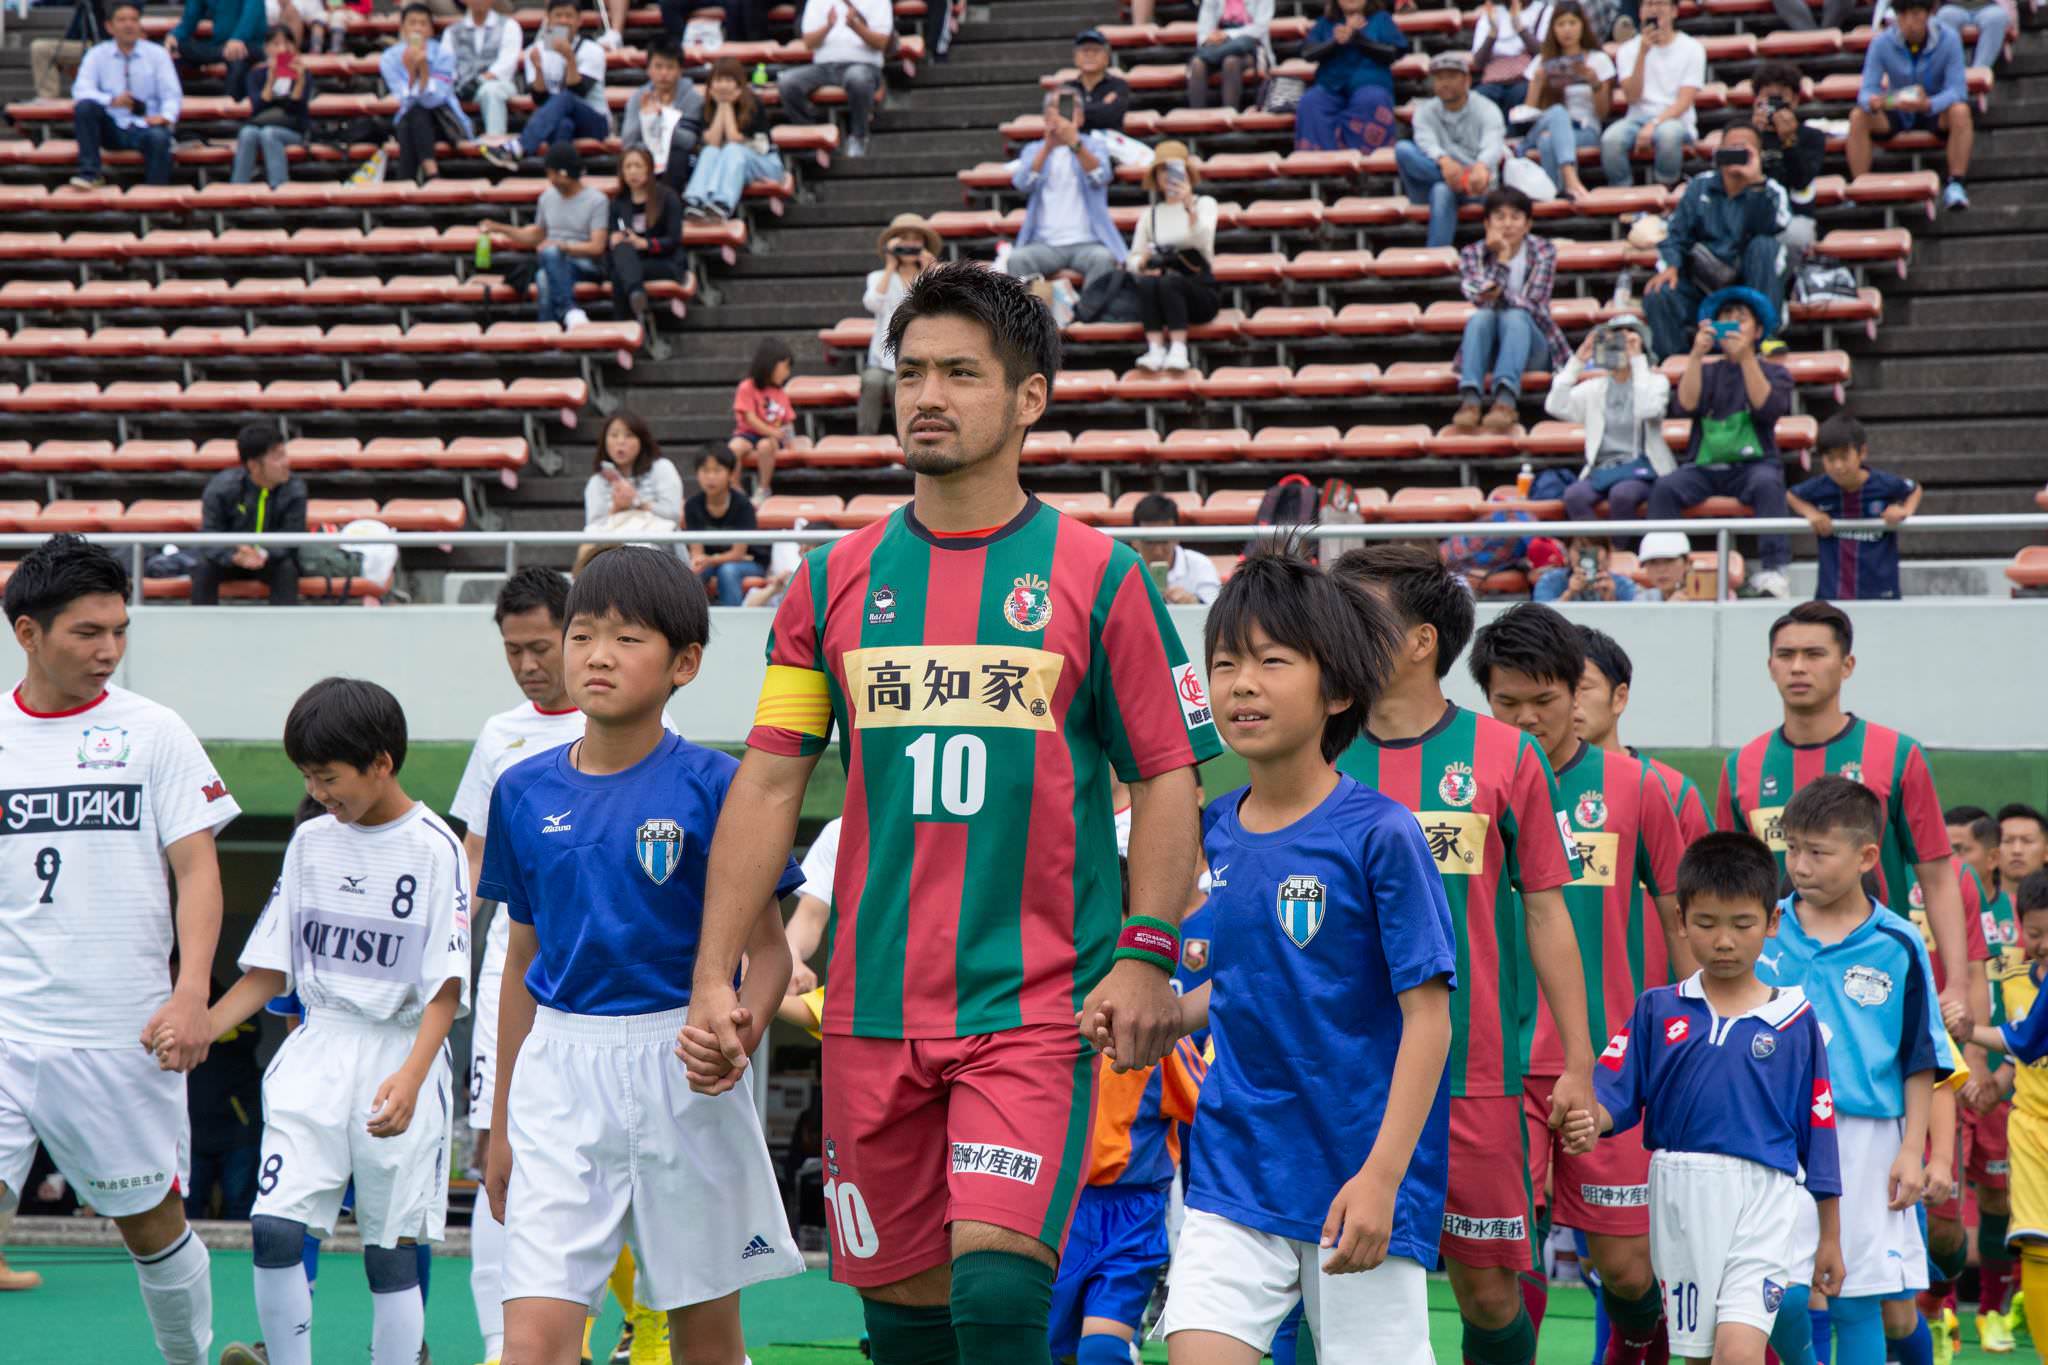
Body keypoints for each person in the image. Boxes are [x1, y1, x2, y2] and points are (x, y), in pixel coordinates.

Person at [685, 262, 1218, 1363]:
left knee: (998, 1286)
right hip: (870, 1011)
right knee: (905, 1324)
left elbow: (1171, 778)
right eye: (912, 371)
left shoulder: (1104, 579)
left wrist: (1146, 953)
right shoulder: (826, 583)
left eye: (961, 373)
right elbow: (771, 780)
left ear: (1030, 399)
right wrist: (719, 975)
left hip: (1033, 1007)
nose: (925, 395)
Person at [1094, 549, 1454, 1361]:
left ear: (1338, 691)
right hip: (1235, 1172)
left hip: (1357, 1179)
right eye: (1226, 663)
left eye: (1272, 661)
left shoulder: (1382, 834)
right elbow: (1245, 982)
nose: (1241, 684)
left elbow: (1428, 1020)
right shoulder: (1213, 829)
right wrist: (1162, 1015)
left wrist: (1383, 1177)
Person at [479, 548, 806, 1365]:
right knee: (532, 1342)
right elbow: (520, 965)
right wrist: (501, 1122)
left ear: (683, 662)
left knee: (706, 1343)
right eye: (582, 634)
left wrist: (738, 1031)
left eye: (627, 639)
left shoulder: (719, 785)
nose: (597, 655)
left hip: (683, 1068)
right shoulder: (520, 790)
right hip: (560, 1073)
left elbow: (769, 953)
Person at [1330, 541, 1593, 1365]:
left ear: (1421, 641)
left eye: (1357, 615)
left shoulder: (1507, 754)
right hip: (1341, 1070)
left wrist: (1577, 1060)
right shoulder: (1319, 746)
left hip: (1474, 1071)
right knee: (1327, 1276)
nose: (1334, 629)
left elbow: (1547, 913)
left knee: (1486, 1294)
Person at [0, 534, 239, 1365]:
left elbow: (198, 870)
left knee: (151, 1227)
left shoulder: (154, 731)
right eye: (88, 632)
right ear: (28, 633)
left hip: (119, 1032)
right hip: (7, 1023)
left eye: (120, 630)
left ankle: (188, 1360)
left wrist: (192, 992)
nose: (109, 649)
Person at [203, 679, 467, 1365]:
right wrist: (205, 1025)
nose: (316, 792)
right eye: (306, 777)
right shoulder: (310, 842)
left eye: (327, 776)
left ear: (381, 763)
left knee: (390, 1250)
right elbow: (272, 968)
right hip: (318, 1048)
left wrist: (412, 1077)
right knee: (274, 1229)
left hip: (400, 1051)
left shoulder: (434, 847)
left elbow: (445, 986)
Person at [1471, 604, 1688, 1365]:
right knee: (1500, 1267)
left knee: (1626, 1271)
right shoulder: (1471, 785)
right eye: (1507, 702)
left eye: (1545, 700)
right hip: (1494, 1065)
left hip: (1611, 1067)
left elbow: (1680, 918)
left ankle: (1637, 1344)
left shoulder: (1638, 786)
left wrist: (1698, 1035)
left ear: (1578, 693)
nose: (1526, 718)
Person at [1563, 832, 1846, 1365]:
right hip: (1680, 1196)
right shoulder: (1657, 1009)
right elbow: (1613, 1093)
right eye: (1707, 923)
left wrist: (1830, 1236)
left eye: (1742, 924)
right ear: (1681, 921)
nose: (1724, 941)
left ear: (1772, 922)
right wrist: (1590, 1120)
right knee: (1698, 1356)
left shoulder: (1795, 1021)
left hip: (1765, 1200)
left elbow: (1820, 1137)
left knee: (1738, 1351)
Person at [1752, 777, 1956, 1364]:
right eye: (1792, 848)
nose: (1799, 865)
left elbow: (1921, 1058)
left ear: (1867, 857)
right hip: (1773, 1130)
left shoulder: (1898, 941)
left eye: (1818, 852)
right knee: (1780, 1292)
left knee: (1856, 1299)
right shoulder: (1765, 924)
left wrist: (1914, 1151)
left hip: (1864, 1137)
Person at [1716, 601, 1973, 1030]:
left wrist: (1958, 984)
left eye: (1815, 654)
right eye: (1786, 655)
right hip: (1769, 984)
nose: (1799, 667)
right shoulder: (1741, 767)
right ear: (1770, 666)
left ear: (1847, 665)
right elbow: (1728, 888)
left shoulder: (1898, 755)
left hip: (1874, 981)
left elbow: (1938, 879)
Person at [450, 568, 583, 1365]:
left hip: (601, 975)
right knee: (497, 1147)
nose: (529, 665)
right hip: (514, 967)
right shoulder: (499, 736)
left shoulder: (624, 719)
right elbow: (474, 860)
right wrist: (447, 944)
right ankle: (502, 1345)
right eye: (513, 650)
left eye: (540, 646)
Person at [1059, 990, 1205, 1364]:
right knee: (1049, 1348)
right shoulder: (1045, 1019)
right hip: (1057, 1210)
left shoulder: (1157, 1032)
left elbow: (1211, 1108)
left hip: (1131, 1215)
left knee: (1101, 1351)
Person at [1946, 871, 2048, 1352]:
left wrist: (1969, 1032)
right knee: (2036, 1241)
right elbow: (2020, 1053)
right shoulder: (2013, 980)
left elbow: (2023, 1039)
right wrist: (1994, 1085)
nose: (2042, 944)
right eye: (2035, 933)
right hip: (2030, 1126)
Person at [1645, 287, 1795, 597]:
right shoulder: (1707, 370)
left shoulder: (1775, 372)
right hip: (1704, 466)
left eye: (1741, 319)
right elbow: (1685, 405)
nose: (1732, 325)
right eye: (1725, 318)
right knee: (1665, 488)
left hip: (1754, 465)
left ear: (1758, 331)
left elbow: (1767, 408)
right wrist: (1696, 355)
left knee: (1768, 484)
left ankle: (1775, 570)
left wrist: (1746, 358)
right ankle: (1666, 569)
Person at [1644, 126, 1792, 361]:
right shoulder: (1699, 186)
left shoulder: (1771, 190)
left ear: (1757, 154)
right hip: (1702, 286)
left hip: (1749, 286)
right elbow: (1676, 234)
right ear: (1720, 152)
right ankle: (1675, 362)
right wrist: (1671, 266)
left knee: (1765, 246)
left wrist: (1755, 182)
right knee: (1659, 291)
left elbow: (1776, 226)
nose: (1736, 153)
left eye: (1744, 149)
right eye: (1731, 148)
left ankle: (1766, 338)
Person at [1574, 625, 1715, 845]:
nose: (1570, 702)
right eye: (1559, 691)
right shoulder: (1534, 786)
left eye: (1582, 688)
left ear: (1619, 698)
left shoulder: (1673, 791)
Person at [1451, 186, 1568, 432]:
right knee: (1481, 317)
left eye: (1515, 217)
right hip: (1489, 349)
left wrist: (1497, 292)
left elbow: (1534, 305)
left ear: (1527, 224)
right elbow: (1481, 299)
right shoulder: (1472, 254)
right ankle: (1470, 402)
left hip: (1533, 345)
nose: (1507, 224)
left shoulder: (1543, 251)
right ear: (1487, 223)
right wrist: (1502, 258)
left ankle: (1505, 402)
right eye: (1499, 217)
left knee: (1515, 316)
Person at [1543, 315, 1672, 524]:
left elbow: (1647, 410)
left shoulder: (1656, 382)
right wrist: (1578, 361)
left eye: (1625, 340)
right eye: (1613, 341)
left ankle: (1622, 545)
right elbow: (1555, 405)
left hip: (1643, 468)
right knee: (1574, 496)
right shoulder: (1594, 388)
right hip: (1602, 470)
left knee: (1622, 495)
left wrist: (1637, 359)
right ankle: (1595, 543)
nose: (1619, 347)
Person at [1850, 0, 1973, 211]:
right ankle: (1860, 188)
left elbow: (1957, 90)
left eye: (1916, 14)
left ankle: (1956, 183)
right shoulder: (1881, 43)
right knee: (1858, 116)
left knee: (1961, 111)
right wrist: (1874, 101)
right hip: (1897, 109)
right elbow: (1866, 90)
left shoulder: (1949, 39)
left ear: (1929, 14)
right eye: (1902, 15)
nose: (1909, 22)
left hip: (1933, 109)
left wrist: (1929, 104)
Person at [1786, 413, 1923, 602]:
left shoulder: (1883, 484)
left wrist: (1904, 511)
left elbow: (1914, 490)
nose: (1838, 466)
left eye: (1844, 457)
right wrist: (1812, 513)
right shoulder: (1820, 487)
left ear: (1862, 452)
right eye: (1830, 458)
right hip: (1832, 594)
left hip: (1881, 592)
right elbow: (1792, 495)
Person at [1005, 91, 1125, 291]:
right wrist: (1047, 147)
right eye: (1056, 109)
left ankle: (1087, 310)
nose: (1062, 116)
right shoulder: (1034, 149)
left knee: (1104, 259)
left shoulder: (1095, 145)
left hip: (1088, 242)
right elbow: (1022, 183)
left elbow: (1102, 176)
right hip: (1044, 244)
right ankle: (1033, 312)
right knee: (1017, 259)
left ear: (1081, 117)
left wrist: (1075, 144)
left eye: (1068, 109)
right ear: (1046, 117)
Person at [481, 142, 608, 330]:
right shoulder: (546, 198)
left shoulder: (597, 200)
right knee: (546, 268)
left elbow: (597, 247)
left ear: (565, 172)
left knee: (545, 271)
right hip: (552, 261)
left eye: (553, 173)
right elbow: (536, 236)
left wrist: (563, 247)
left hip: (585, 263)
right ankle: (565, 316)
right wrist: (500, 228)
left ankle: (553, 325)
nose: (550, 179)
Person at [481, 0, 610, 171]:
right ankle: (562, 172)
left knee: (566, 98)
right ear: (548, 19)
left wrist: (570, 58)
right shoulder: (537, 50)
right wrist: (539, 70)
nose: (563, 20)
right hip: (557, 119)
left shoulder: (592, 50)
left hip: (594, 121)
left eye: (569, 16)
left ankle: (519, 146)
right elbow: (539, 99)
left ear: (579, 20)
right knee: (564, 125)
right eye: (558, 15)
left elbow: (579, 92)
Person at [1126, 142, 1221, 375]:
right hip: (1160, 287)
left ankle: (1179, 348)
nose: (1168, 176)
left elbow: (1203, 241)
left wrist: (1189, 208)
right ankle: (1155, 348)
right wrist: (1144, 261)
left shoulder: (1204, 204)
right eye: (1162, 170)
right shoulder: (1151, 215)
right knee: (1150, 283)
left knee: (1170, 282)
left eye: (1174, 169)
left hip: (1197, 288)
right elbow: (1133, 259)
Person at [1397, 52, 1506, 250]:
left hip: (1477, 184)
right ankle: (1457, 180)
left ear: (1467, 80)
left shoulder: (1486, 108)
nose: (1445, 83)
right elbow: (1425, 141)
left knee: (1441, 190)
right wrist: (1444, 160)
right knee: (1403, 150)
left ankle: (1435, 256)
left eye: (1452, 77)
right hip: (1434, 178)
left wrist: (1481, 167)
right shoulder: (1425, 111)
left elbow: (1493, 143)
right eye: (1439, 78)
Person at [67, 2, 181, 191]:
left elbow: (172, 94)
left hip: (146, 125)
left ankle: (156, 194)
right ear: (109, 27)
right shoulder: (96, 54)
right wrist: (112, 101)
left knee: (159, 138)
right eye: (122, 20)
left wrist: (166, 116)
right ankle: (90, 174)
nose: (129, 25)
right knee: (85, 108)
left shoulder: (158, 54)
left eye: (134, 20)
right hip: (112, 126)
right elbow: (80, 90)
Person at [193, 423, 307, 606]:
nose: (286, 462)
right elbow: (210, 534)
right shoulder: (221, 488)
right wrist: (234, 554)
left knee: (286, 569)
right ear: (253, 465)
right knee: (204, 568)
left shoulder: (295, 489)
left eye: (285, 454)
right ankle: (201, 622)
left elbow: (293, 534)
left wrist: (262, 553)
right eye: (277, 457)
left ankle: (284, 623)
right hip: (232, 558)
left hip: (270, 558)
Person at [1599, 0, 1704, 188]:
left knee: (1668, 136)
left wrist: (1654, 124)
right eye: (1648, 4)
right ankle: (1622, 192)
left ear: (1674, 11)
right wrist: (1642, 53)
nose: (1654, 9)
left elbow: (1684, 101)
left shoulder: (1692, 48)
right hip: (1636, 119)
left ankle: (1665, 188)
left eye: (1660, 3)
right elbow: (1632, 96)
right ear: (1640, 12)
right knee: (1611, 140)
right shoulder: (1627, 50)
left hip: (1676, 119)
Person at [182, 980, 262, 1222]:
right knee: (187, 1206)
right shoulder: (167, 1005)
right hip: (191, 1128)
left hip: (237, 1128)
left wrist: (203, 1029)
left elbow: (251, 1035)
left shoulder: (233, 1000)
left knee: (240, 1207)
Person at [777, 0, 891, 159]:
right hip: (824, 66)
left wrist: (856, 27)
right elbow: (809, 42)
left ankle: (859, 136)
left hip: (864, 65)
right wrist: (828, 26)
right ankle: (812, 137)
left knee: (857, 78)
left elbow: (881, 42)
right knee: (787, 82)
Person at [1523, 0, 1612, 202]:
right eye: (1561, 24)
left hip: (1584, 128)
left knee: (1548, 141)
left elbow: (1602, 113)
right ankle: (1571, 180)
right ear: (1552, 29)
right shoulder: (1540, 62)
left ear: (1582, 25)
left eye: (1572, 23)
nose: (1567, 30)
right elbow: (1528, 112)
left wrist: (1594, 82)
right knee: (1557, 113)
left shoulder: (1598, 60)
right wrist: (1537, 82)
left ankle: (1554, 197)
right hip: (1546, 124)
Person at [1294, 0, 1407, 154]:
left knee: (1371, 99)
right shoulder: (1325, 23)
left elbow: (1395, 52)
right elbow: (1307, 53)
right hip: (1330, 87)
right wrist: (1335, 41)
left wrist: (1358, 38)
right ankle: (1322, 165)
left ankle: (1366, 164)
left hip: (1370, 84)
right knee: (1310, 101)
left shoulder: (1381, 19)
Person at [862, 213, 939, 436]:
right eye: (904, 240)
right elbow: (872, 303)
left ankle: (906, 439)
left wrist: (931, 272)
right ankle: (865, 440)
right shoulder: (878, 276)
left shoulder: (930, 277)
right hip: (882, 356)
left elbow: (940, 306)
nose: (909, 245)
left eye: (915, 240)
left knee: (898, 384)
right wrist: (890, 265)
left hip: (919, 352)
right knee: (872, 381)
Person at [605, 146, 684, 361]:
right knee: (621, 252)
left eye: (638, 166)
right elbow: (610, 237)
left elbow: (674, 240)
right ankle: (636, 296)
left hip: (663, 262)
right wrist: (613, 240)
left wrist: (645, 244)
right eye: (628, 166)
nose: (633, 171)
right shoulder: (618, 203)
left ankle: (624, 335)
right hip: (631, 262)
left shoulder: (667, 198)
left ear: (649, 169)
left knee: (620, 276)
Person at [681, 56, 782, 223]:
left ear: (739, 84)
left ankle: (723, 204)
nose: (723, 85)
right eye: (718, 80)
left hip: (765, 164)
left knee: (732, 149)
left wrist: (726, 106)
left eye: (728, 80)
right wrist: (721, 106)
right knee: (710, 151)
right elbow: (712, 142)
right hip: (732, 166)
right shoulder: (706, 107)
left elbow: (734, 139)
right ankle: (695, 200)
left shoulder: (753, 104)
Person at [380, 3, 468, 186]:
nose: (418, 28)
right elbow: (403, 100)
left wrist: (424, 71)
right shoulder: (389, 58)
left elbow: (436, 99)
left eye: (423, 23)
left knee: (416, 114)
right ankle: (431, 174)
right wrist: (413, 74)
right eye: (412, 23)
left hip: (444, 122)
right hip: (412, 121)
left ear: (431, 29)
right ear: (402, 28)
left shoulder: (444, 54)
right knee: (413, 116)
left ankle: (407, 181)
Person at [1750, 62, 1828, 266]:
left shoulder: (1811, 137)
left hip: (1795, 216)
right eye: (1769, 97)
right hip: (1751, 213)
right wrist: (1755, 137)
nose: (1775, 105)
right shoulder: (1743, 134)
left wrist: (1789, 142)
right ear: (1757, 100)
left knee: (1796, 237)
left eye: (1781, 98)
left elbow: (1801, 180)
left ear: (1795, 100)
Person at [581, 410, 682, 550]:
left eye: (629, 435)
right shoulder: (597, 482)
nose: (620, 442)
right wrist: (616, 508)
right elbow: (593, 528)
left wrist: (637, 502)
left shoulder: (662, 468)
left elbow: (673, 515)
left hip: (657, 548)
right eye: (614, 435)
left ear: (642, 440)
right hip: (613, 550)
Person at [231, 26, 313, 189]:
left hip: (293, 129)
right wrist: (270, 80)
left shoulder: (304, 73)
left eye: (287, 43)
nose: (282, 49)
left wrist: (299, 82)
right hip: (264, 123)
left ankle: (279, 187)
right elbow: (257, 107)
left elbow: (297, 109)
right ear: (267, 48)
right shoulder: (257, 74)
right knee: (247, 133)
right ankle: (238, 187)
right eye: (276, 44)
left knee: (269, 133)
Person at [684, 448, 768, 606]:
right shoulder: (692, 505)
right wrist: (699, 561)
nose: (710, 477)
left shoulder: (743, 505)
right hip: (709, 562)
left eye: (717, 471)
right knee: (692, 572)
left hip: (749, 562)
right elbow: (697, 551)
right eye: (705, 471)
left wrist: (710, 560)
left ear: (730, 474)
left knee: (728, 570)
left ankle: (735, 619)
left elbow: (738, 553)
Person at [619, 44, 703, 194]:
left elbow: (689, 141)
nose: (664, 73)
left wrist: (661, 118)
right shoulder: (638, 97)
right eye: (658, 67)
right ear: (648, 69)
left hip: (679, 159)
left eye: (670, 67)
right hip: (646, 155)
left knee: (678, 156)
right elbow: (628, 141)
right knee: (634, 160)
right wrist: (644, 116)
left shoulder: (692, 98)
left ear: (680, 70)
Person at [441, 0, 522, 142]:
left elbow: (507, 62)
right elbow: (447, 65)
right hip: (462, 87)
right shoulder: (451, 31)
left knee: (491, 90)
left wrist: (480, 80)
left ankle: (495, 142)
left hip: (500, 85)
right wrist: (458, 83)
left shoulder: (509, 25)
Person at [729, 338, 794, 501]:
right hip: (747, 434)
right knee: (734, 447)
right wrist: (771, 431)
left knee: (764, 446)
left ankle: (763, 488)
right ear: (771, 364)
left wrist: (789, 441)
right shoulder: (746, 387)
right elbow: (749, 418)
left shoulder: (781, 393)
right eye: (785, 366)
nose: (787, 373)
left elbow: (788, 421)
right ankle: (735, 487)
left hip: (772, 438)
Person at [1132, 494, 1223, 605]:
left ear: (1177, 538)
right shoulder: (1125, 569)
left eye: (1164, 542)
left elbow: (1216, 611)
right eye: (1149, 543)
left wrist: (1195, 603)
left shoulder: (1201, 565)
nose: (1158, 551)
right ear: (1134, 541)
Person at [166, 0, 262, 101]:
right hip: (218, 47)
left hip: (247, 45)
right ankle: (171, 103)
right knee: (177, 49)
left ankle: (230, 106)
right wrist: (176, 35)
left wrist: (239, 37)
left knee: (237, 59)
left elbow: (252, 13)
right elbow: (190, 18)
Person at [1187, 0, 1273, 110]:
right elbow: (1203, 34)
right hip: (1217, 47)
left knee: (1231, 61)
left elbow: (1260, 29)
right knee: (1197, 63)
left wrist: (1227, 35)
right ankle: (1197, 117)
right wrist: (1211, 38)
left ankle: (1229, 114)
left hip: (1252, 49)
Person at [1470, 0, 1555, 111]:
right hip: (1493, 80)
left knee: (1520, 95)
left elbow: (1544, 53)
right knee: (1478, 97)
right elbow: (1478, 62)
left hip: (1526, 79)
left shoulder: (1544, 11)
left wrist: (1519, 27)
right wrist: (1493, 32)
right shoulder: (1491, 14)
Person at [31, 0, 105, 101]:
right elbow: (72, 35)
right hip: (84, 44)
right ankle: (47, 100)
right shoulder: (84, 4)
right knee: (40, 48)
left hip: (107, 45)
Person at [1533, 534, 1642, 602]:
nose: (1587, 556)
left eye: (1595, 549)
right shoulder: (1549, 580)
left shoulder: (1624, 584)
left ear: (1608, 554)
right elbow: (1540, 622)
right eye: (1580, 549)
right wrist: (1568, 595)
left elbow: (1635, 622)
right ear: (1568, 553)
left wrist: (1611, 600)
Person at [1065, 28, 1133, 133]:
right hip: (1074, 138)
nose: (1090, 55)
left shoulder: (1118, 85)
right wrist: (1102, 105)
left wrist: (1078, 109)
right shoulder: (1066, 87)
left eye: (1096, 50)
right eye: (1084, 50)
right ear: (1075, 58)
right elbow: (1064, 118)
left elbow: (1112, 116)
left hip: (1109, 140)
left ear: (1107, 58)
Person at [1934, 0, 2009, 72]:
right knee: (1944, 15)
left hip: (1988, 7)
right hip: (1953, 7)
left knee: (1997, 16)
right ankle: (1955, 71)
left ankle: (1978, 72)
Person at [1633, 530, 1701, 602]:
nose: (1661, 569)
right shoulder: (1643, 599)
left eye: (1669, 560)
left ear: (1687, 562)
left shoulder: (1706, 598)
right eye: (1653, 562)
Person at [2004, 804, 2048, 889]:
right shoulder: (1978, 896)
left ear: (2046, 852)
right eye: (2007, 841)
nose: (2016, 850)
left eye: (2027, 841)